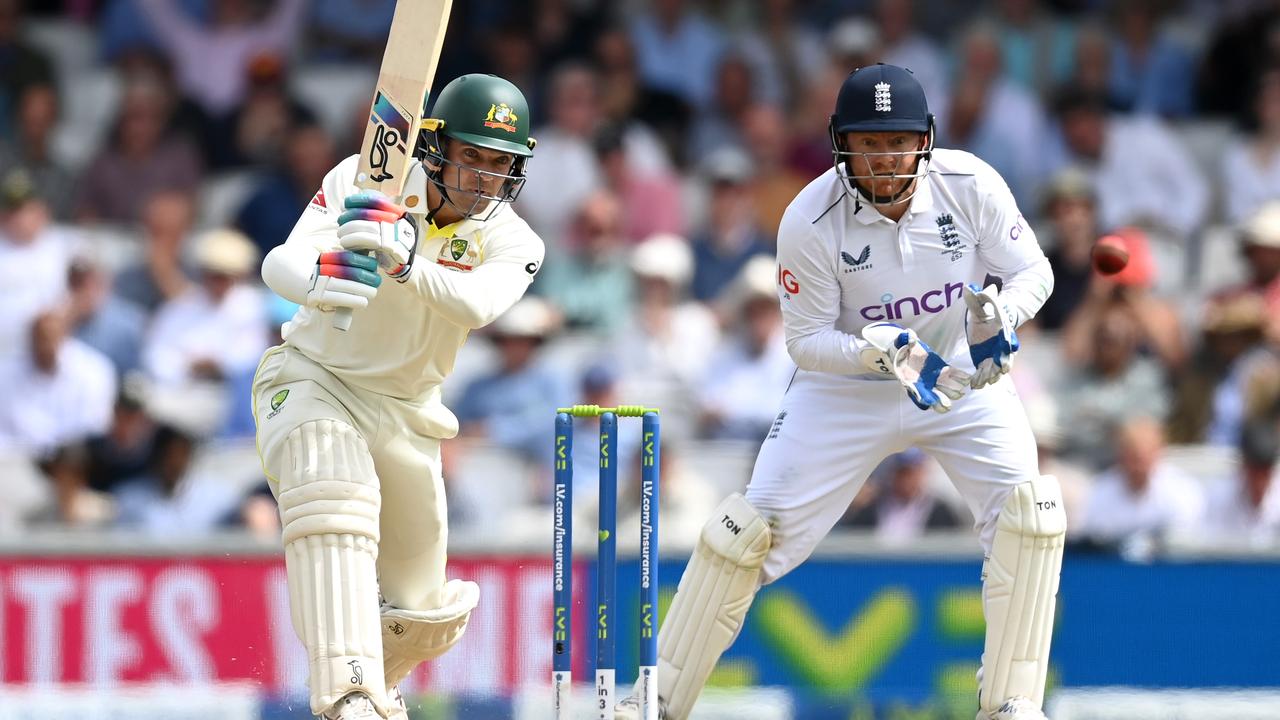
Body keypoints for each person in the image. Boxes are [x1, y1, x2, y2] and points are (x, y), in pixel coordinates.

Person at [616, 63, 1059, 720]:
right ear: (840, 144)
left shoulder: (970, 185)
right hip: (848, 386)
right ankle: (653, 705)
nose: (884, 159)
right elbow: (805, 343)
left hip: (957, 375)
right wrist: (876, 352)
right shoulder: (810, 219)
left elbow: (1033, 271)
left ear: (926, 140)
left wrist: (998, 315)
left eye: (898, 141)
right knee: (746, 532)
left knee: (1030, 515)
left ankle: (1011, 706)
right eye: (868, 143)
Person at [252, 74, 542, 720]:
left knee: (422, 612)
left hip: (410, 414)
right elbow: (281, 264)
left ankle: (373, 693)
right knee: (336, 500)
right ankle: (348, 695)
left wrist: (407, 263)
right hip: (315, 380)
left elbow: (479, 304)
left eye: (500, 164)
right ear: (436, 148)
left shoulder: (515, 240)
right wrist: (323, 280)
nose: (484, 178)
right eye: (473, 156)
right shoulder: (368, 176)